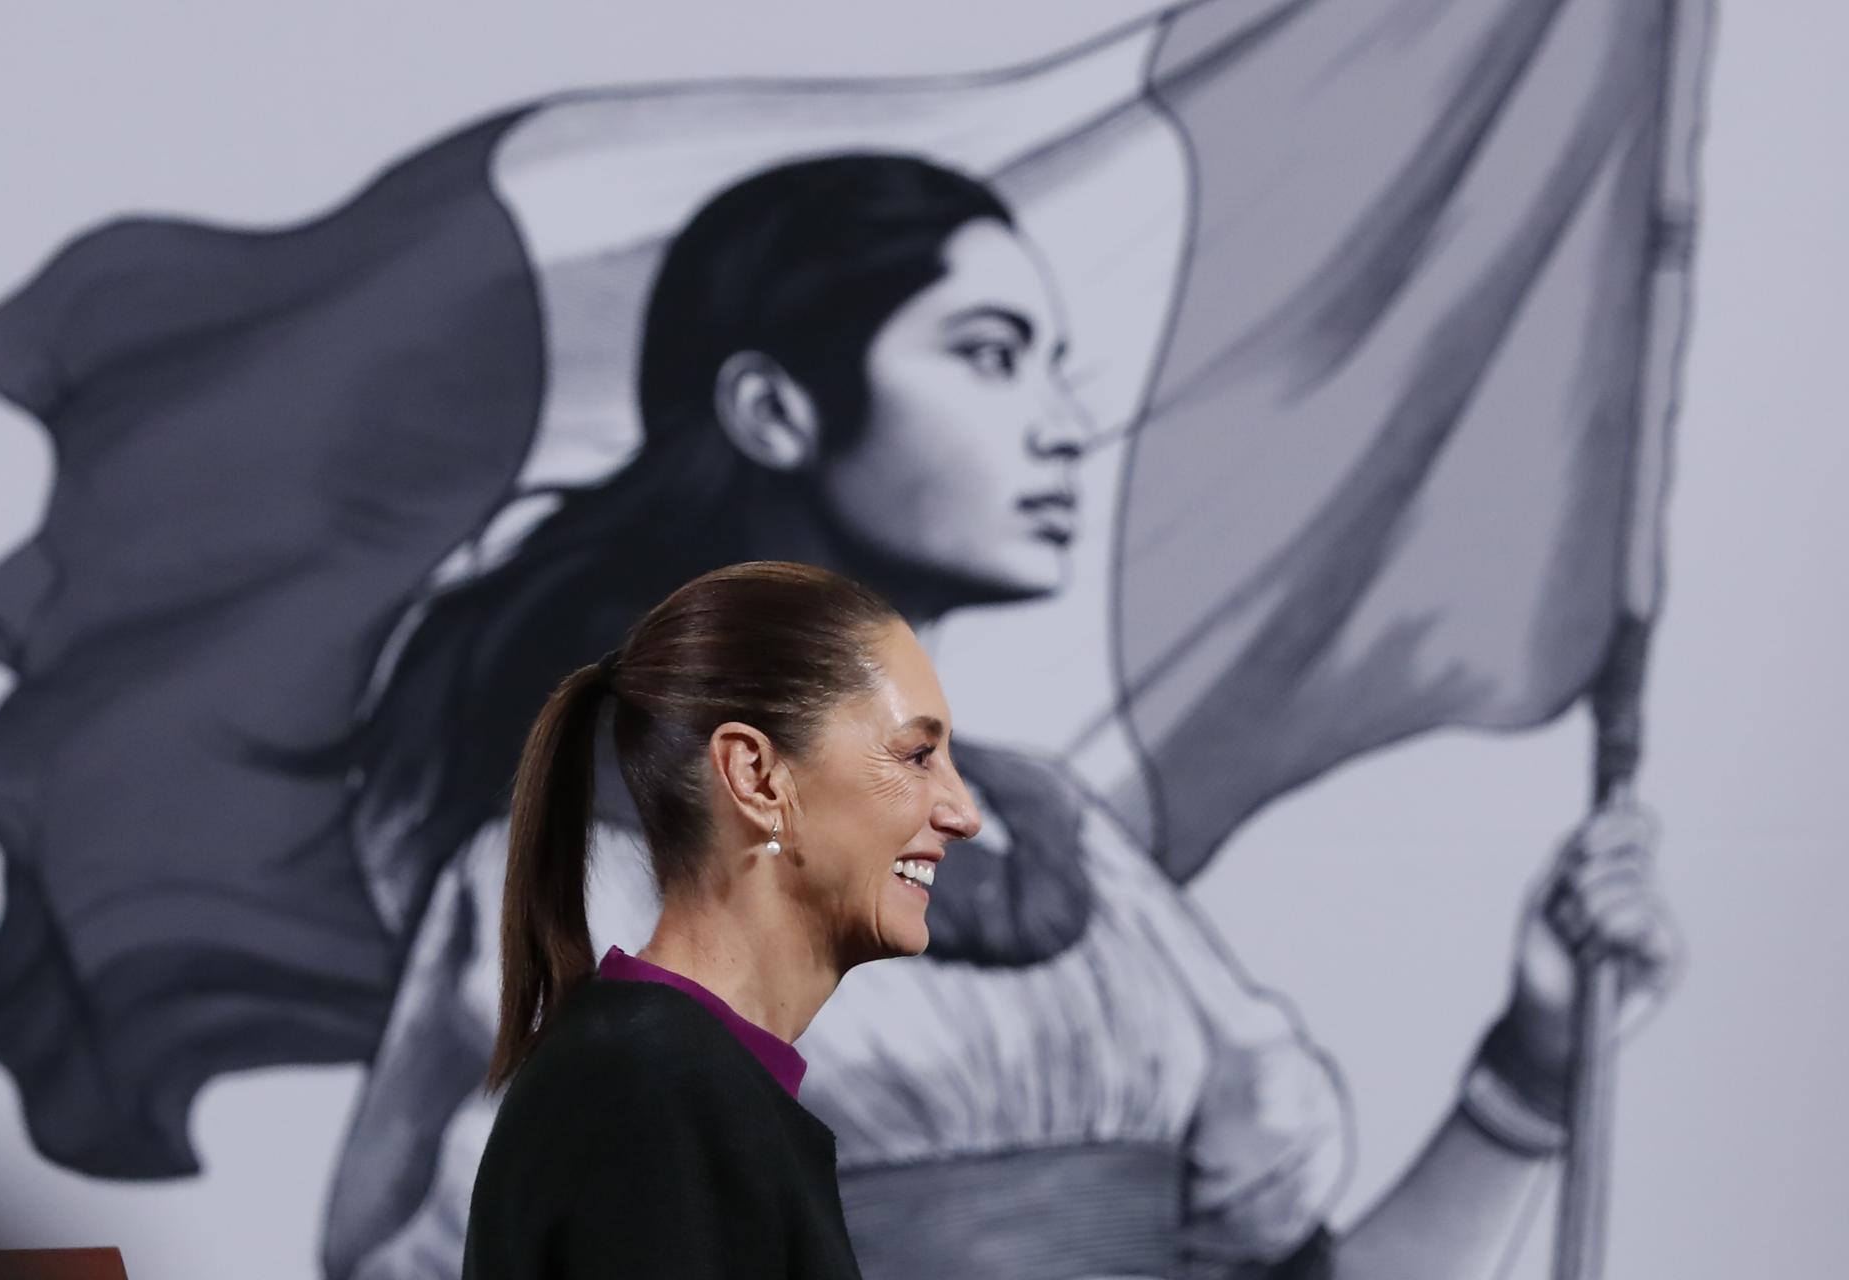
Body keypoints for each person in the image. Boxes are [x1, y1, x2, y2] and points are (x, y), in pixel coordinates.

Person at [312, 153, 1677, 1280]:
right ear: (775, 410)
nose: (1062, 423)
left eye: (1054, 361)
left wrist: (1532, 1070)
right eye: (989, 353)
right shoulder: (596, 873)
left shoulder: (1060, 845)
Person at [462, 560, 976, 1279]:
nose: (964, 814)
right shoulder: (656, 1093)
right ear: (758, 779)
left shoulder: (663, 1076)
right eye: (917, 755)